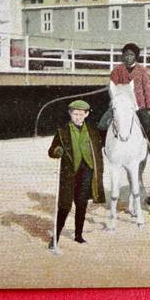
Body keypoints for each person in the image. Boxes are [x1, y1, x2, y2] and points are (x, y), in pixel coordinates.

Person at [48, 100, 105, 248]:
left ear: (86, 114)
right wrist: (57, 151)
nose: (78, 117)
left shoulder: (93, 131)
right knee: (64, 205)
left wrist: (96, 172)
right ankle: (55, 238)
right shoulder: (62, 131)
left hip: (87, 172)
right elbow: (51, 151)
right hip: (69, 174)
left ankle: (78, 235)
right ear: (70, 114)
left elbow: (98, 153)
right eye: (75, 114)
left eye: (81, 114)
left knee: (81, 204)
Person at [107, 42, 150, 172]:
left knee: (149, 127)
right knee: (103, 124)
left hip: (139, 107)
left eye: (131, 55)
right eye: (126, 55)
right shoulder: (116, 71)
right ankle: (107, 152)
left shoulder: (142, 71)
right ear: (123, 56)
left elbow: (148, 90)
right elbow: (111, 89)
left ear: (136, 56)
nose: (128, 57)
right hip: (121, 106)